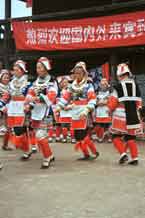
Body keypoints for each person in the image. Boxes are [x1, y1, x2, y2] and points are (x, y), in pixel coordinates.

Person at [56, 62, 99, 160]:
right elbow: (66, 97)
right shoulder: (72, 86)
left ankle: (94, 151)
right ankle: (86, 154)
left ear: (84, 73)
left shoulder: (88, 85)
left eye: (79, 73)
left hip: (84, 111)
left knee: (82, 133)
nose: (77, 75)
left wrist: (87, 110)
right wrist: (59, 106)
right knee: (77, 135)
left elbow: (92, 99)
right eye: (75, 73)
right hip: (74, 111)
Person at [25, 57, 58, 169]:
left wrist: (36, 98)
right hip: (36, 112)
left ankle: (47, 157)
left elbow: (51, 97)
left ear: (46, 68)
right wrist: (29, 104)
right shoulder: (35, 82)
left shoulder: (52, 81)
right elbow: (29, 95)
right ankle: (50, 155)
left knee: (40, 135)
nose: (38, 70)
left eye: (40, 67)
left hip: (47, 112)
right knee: (39, 135)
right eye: (37, 68)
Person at [108, 63, 143, 165]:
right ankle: (135, 158)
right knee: (130, 137)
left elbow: (113, 102)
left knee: (115, 136)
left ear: (120, 75)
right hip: (133, 115)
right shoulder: (136, 85)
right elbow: (139, 102)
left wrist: (109, 109)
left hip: (120, 115)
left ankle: (123, 154)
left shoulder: (118, 87)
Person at [7, 60, 32, 160]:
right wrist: (2, 104)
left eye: (17, 70)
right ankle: (26, 150)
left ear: (22, 71)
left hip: (22, 107)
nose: (15, 72)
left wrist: (28, 105)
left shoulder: (27, 83)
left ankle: (27, 149)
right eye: (14, 70)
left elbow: (30, 95)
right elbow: (7, 95)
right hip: (13, 107)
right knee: (20, 130)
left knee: (19, 130)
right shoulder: (11, 83)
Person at [0, 69, 11, 169]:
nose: (6, 79)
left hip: (10, 109)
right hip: (1, 109)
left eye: (8, 77)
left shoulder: (11, 86)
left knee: (8, 128)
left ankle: (5, 145)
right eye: (4, 77)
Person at [95, 78, 112, 143]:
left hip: (107, 110)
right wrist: (98, 103)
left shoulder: (110, 91)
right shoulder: (97, 92)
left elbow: (112, 100)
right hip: (99, 110)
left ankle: (109, 138)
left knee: (108, 124)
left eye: (105, 84)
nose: (103, 85)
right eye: (102, 84)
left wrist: (105, 102)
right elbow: (94, 100)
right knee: (100, 125)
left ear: (107, 85)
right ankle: (100, 137)